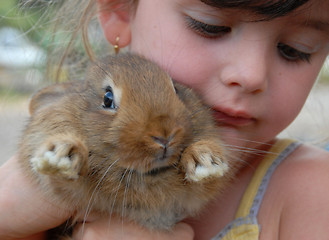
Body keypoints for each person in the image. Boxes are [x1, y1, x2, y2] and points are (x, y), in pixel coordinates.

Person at [1, 0, 329, 239]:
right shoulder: (31, 187)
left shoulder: (313, 193)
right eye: (209, 26)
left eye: (295, 49)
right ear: (119, 10)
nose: (251, 75)